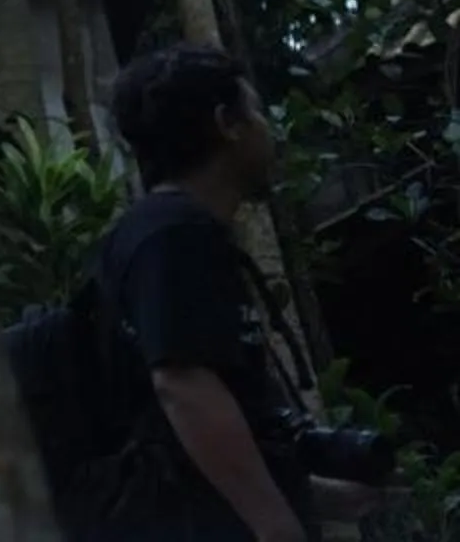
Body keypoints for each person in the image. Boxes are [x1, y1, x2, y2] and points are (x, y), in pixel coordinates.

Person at [84, 44, 385, 541]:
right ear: (228, 123)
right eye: (259, 114)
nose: (271, 131)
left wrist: (313, 494)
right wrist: (276, 527)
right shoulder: (170, 232)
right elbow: (183, 386)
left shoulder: (172, 232)